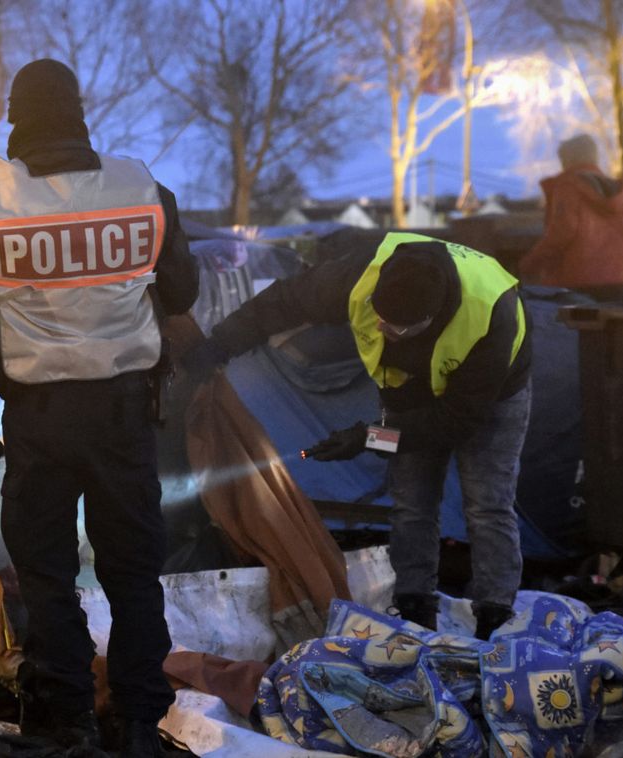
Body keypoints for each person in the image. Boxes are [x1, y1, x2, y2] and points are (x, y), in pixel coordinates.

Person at [0, 59, 198, 756]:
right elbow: (183, 290)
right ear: (79, 113)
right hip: (123, 414)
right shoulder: (141, 188)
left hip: (39, 419)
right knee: (133, 570)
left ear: (18, 117)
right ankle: (139, 723)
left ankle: (69, 716)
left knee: (46, 572)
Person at [185, 233, 530, 641]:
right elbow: (283, 302)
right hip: (409, 389)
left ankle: (495, 617)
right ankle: (415, 610)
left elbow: (454, 424)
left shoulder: (489, 315)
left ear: (430, 319)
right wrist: (218, 346)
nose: (381, 328)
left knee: (487, 505)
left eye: (395, 327)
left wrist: (368, 438)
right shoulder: (359, 275)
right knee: (413, 502)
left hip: (491, 397)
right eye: (378, 316)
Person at [520, 134, 623, 301]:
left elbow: (562, 232)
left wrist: (530, 263)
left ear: (569, 158)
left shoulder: (568, 186)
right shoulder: (617, 191)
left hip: (579, 282)